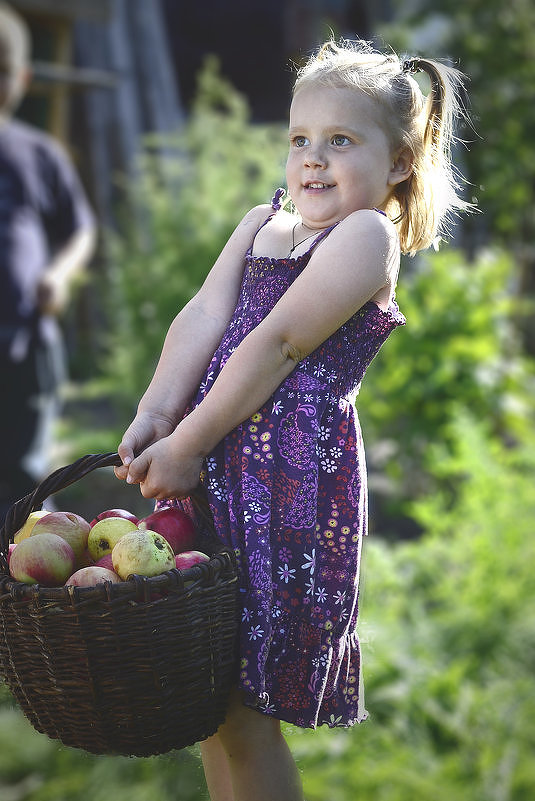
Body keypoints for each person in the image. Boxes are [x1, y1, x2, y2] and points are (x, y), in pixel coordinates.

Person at [115, 37, 471, 801]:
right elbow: (202, 315)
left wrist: (188, 440)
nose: (312, 158)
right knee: (211, 702)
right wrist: (155, 412)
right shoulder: (260, 223)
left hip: (285, 497)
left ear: (399, 164)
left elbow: (278, 342)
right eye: (299, 139)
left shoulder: (363, 238)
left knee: (245, 711)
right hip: (212, 471)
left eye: (340, 141)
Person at [0, 3, 96, 524]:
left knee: (24, 469)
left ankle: (28, 589)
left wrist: (57, 276)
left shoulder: (37, 154)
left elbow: (80, 229)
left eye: (0, 72)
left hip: (25, 339)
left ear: (22, 78)